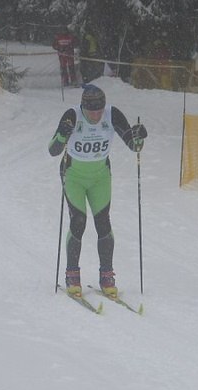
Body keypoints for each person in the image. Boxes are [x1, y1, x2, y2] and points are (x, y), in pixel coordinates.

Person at [48, 85, 147, 299]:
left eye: (99, 111)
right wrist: (63, 135)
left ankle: (107, 275)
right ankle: (72, 274)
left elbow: (134, 145)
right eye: (91, 112)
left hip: (100, 177)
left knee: (103, 223)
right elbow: (53, 150)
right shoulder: (72, 116)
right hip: (73, 175)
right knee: (79, 221)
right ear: (83, 107)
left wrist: (139, 137)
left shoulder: (112, 114)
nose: (96, 116)